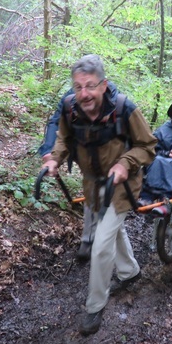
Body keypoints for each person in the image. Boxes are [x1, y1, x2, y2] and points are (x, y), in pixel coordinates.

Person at [42, 54, 157, 335]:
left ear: (103, 85)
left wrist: (124, 163)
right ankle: (130, 271)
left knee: (101, 243)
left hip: (123, 184)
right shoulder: (71, 108)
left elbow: (148, 146)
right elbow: (64, 139)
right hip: (92, 184)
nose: (84, 93)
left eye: (90, 86)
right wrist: (55, 158)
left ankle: (95, 306)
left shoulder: (125, 108)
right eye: (78, 86)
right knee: (112, 230)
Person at [37, 82, 118, 261]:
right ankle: (90, 239)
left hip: (111, 155)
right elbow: (56, 121)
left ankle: (107, 248)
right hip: (86, 154)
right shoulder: (69, 99)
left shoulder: (113, 96)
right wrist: (49, 151)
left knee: (110, 204)